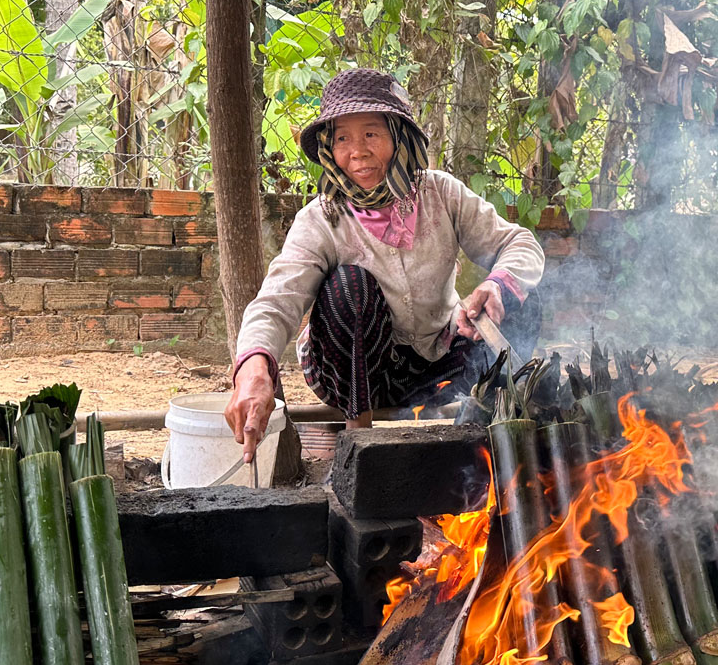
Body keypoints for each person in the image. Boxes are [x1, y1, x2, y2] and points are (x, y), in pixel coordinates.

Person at [225, 68, 545, 462]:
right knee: (350, 287)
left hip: (439, 368)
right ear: (329, 147)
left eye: (371, 134)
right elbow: (277, 301)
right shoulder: (322, 219)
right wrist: (254, 372)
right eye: (342, 138)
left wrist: (496, 284)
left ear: (398, 136)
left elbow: (519, 243)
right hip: (357, 378)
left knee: (520, 293)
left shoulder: (440, 193)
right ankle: (360, 447)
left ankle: (487, 435)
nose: (356, 151)